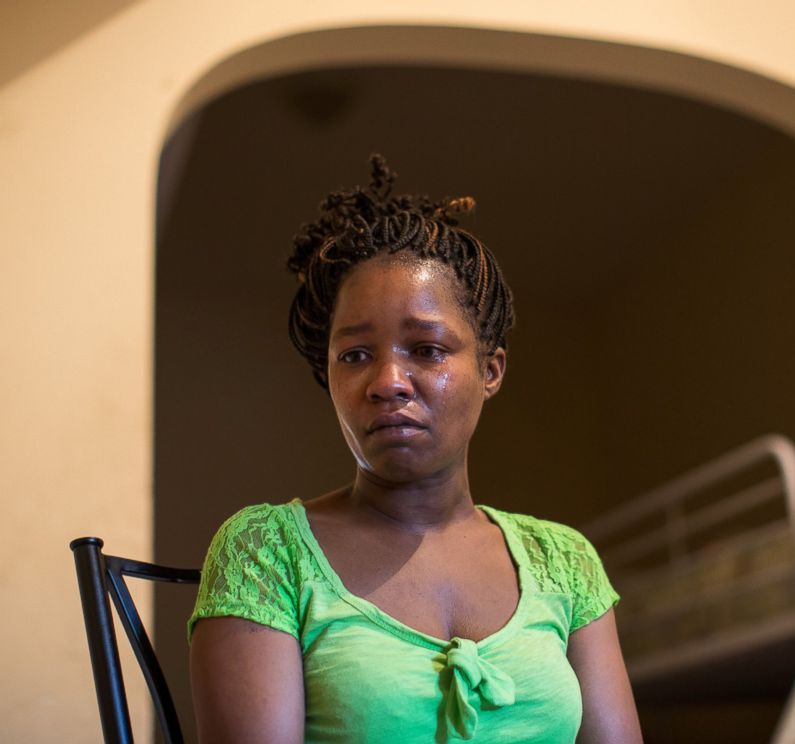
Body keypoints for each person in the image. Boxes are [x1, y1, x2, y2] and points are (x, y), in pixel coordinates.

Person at [187, 155, 643, 744]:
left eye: (426, 350)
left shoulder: (564, 561)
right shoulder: (265, 554)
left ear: (490, 369)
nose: (389, 381)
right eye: (354, 355)